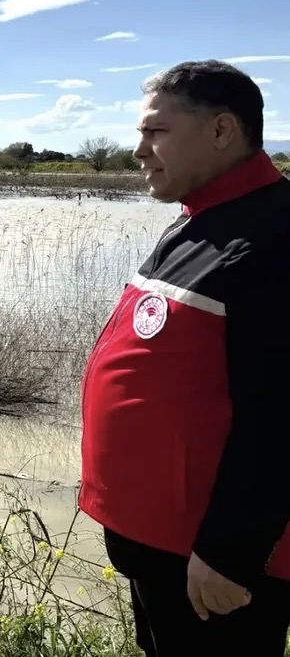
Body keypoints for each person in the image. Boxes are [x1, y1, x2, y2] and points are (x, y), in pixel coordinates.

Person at [79, 59, 290, 656]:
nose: (139, 151)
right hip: (162, 541)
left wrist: (230, 552)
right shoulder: (199, 221)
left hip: (215, 562)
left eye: (156, 132)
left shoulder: (274, 237)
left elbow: (279, 417)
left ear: (222, 131)